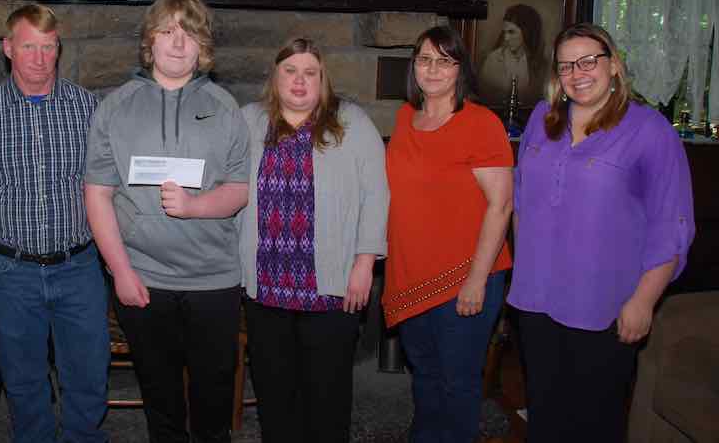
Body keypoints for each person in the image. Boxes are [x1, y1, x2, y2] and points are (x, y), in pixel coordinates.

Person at [508, 23, 695, 443]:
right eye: (567, 65)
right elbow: (522, 202)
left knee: (593, 422)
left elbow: (673, 225)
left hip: (604, 308)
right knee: (545, 416)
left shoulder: (650, 131)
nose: (578, 73)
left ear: (613, 65)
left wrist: (644, 301)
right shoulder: (543, 118)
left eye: (589, 61)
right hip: (536, 301)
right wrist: (526, 264)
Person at [84, 0, 250, 443]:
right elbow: (97, 194)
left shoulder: (225, 107)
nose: (178, 43)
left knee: (212, 405)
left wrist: (195, 206)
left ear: (203, 47)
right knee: (162, 405)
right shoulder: (115, 107)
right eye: (168, 31)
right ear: (150, 41)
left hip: (213, 281)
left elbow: (238, 190)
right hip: (144, 280)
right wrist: (119, 271)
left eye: (190, 33)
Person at [0, 4, 108, 443]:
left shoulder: (87, 107)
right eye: (29, 47)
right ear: (8, 48)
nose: (40, 58)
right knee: (24, 382)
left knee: (86, 376)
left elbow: (101, 183)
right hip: (11, 271)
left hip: (78, 266)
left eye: (49, 47)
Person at [238, 38, 388, 442]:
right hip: (265, 287)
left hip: (331, 288)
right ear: (275, 76)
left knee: (327, 397)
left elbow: (377, 194)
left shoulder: (352, 122)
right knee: (274, 395)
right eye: (290, 71)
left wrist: (364, 264)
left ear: (323, 80)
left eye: (310, 73)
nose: (299, 81)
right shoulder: (249, 121)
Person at [384, 25, 514, 443]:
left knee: (458, 383)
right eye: (425, 59)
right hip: (411, 272)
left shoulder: (481, 123)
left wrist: (477, 279)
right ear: (414, 67)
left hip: (465, 277)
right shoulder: (406, 118)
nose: (433, 69)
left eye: (445, 60)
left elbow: (501, 205)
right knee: (424, 375)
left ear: (461, 69)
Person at [478, 3, 547, 107]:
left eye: (511, 32)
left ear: (526, 32)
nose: (506, 38)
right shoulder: (493, 59)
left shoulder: (539, 64)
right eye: (504, 32)